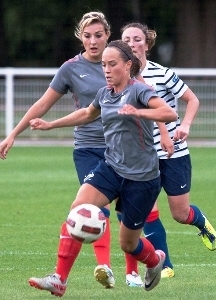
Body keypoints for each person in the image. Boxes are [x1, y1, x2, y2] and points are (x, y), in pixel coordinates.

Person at [26, 40, 178, 297]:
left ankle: (154, 261)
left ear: (128, 65)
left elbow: (169, 114)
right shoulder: (105, 93)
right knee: (78, 208)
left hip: (142, 178)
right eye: (104, 65)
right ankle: (59, 279)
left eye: (112, 64)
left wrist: (140, 114)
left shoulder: (139, 91)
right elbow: (87, 114)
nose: (106, 70)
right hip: (111, 167)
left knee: (128, 244)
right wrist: (50, 125)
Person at [0, 12, 116, 288]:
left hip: (121, 148)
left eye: (98, 35)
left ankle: (152, 260)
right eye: (87, 36)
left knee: (133, 221)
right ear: (80, 37)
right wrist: (14, 133)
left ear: (108, 35)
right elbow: (42, 104)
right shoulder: (71, 69)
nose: (93, 40)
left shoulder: (120, 63)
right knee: (89, 206)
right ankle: (98, 269)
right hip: (88, 148)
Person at [120, 22, 216, 286]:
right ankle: (166, 265)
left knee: (179, 213)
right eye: (126, 39)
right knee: (147, 211)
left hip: (174, 152)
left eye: (137, 39)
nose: (132, 43)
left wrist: (183, 127)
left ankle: (200, 222)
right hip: (142, 156)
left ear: (147, 44)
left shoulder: (162, 73)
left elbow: (192, 100)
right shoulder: (119, 76)